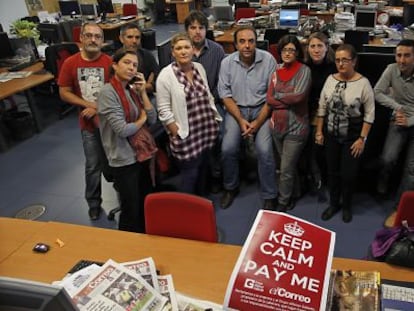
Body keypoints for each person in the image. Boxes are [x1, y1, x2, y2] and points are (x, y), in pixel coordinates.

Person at [218, 25, 277, 210]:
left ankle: (269, 194)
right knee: (228, 148)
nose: (247, 45)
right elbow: (225, 95)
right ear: (235, 44)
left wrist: (258, 123)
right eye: (242, 41)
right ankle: (230, 187)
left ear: (256, 42)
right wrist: (241, 120)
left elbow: (272, 96)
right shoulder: (227, 63)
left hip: (262, 110)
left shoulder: (268, 60)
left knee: (265, 150)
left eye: (251, 41)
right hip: (237, 110)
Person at [97, 48, 156, 233]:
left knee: (144, 200)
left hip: (139, 154)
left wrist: (143, 92)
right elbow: (123, 130)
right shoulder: (108, 93)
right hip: (123, 159)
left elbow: (153, 118)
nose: (131, 67)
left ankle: (144, 235)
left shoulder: (131, 90)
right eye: (127, 63)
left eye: (135, 65)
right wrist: (142, 119)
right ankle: (128, 242)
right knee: (130, 208)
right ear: (114, 65)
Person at [58, 22, 113, 220]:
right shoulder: (71, 63)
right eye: (88, 36)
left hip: (110, 124)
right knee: (92, 165)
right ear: (81, 38)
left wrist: (99, 107)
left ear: (102, 41)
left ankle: (122, 195)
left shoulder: (109, 62)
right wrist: (87, 104)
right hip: (88, 126)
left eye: (97, 36)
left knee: (115, 162)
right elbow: (64, 92)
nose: (92, 40)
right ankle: (94, 203)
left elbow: (117, 93)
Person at [315, 44, 375, 223]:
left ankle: (347, 205)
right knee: (332, 172)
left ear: (354, 62)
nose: (340, 64)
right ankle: (334, 204)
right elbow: (322, 106)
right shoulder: (330, 79)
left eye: (345, 60)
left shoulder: (363, 83)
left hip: (352, 136)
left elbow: (370, 113)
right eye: (338, 60)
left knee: (348, 174)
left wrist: (362, 139)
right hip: (331, 134)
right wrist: (319, 131)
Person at [156, 33, 221, 195]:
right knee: (189, 174)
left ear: (193, 50)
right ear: (173, 52)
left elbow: (207, 95)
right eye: (179, 48)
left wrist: (215, 119)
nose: (183, 51)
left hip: (205, 129)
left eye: (187, 47)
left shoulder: (199, 68)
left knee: (203, 169)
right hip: (185, 134)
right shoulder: (166, 75)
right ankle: (189, 207)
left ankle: (202, 199)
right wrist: (175, 132)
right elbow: (163, 110)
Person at [266, 34, 311, 212]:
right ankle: (294, 193)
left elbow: (299, 97)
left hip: (297, 128)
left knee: (285, 168)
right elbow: (269, 98)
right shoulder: (275, 71)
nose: (287, 53)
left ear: (298, 52)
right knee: (286, 166)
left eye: (292, 50)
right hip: (276, 126)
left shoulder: (304, 70)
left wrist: (279, 97)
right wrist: (285, 99)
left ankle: (283, 201)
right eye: (284, 49)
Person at [184, 10, 226, 193]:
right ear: (187, 30)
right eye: (193, 28)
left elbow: (222, 82)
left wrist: (209, 101)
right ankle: (196, 176)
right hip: (187, 104)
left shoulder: (217, 51)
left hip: (213, 102)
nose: (197, 32)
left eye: (201, 27)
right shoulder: (181, 51)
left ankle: (216, 175)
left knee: (219, 135)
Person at [374, 39, 414, 227]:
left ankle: (399, 206)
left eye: (407, 55)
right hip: (399, 117)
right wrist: (397, 107)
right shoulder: (391, 69)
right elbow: (378, 92)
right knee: (387, 158)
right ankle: (384, 182)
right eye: (399, 55)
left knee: (411, 171)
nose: (402, 60)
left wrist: (410, 120)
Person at [303, 32, 336, 198]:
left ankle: (322, 178)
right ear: (307, 49)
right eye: (312, 46)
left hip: (326, 112)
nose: (316, 50)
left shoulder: (333, 67)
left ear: (327, 47)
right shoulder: (303, 66)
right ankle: (310, 177)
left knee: (317, 145)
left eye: (320, 46)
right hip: (305, 110)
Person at [119, 23, 159, 97]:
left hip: (147, 96)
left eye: (137, 37)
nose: (134, 41)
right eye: (130, 37)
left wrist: (147, 87)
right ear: (121, 39)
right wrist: (144, 85)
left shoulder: (147, 56)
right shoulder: (116, 59)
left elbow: (157, 83)